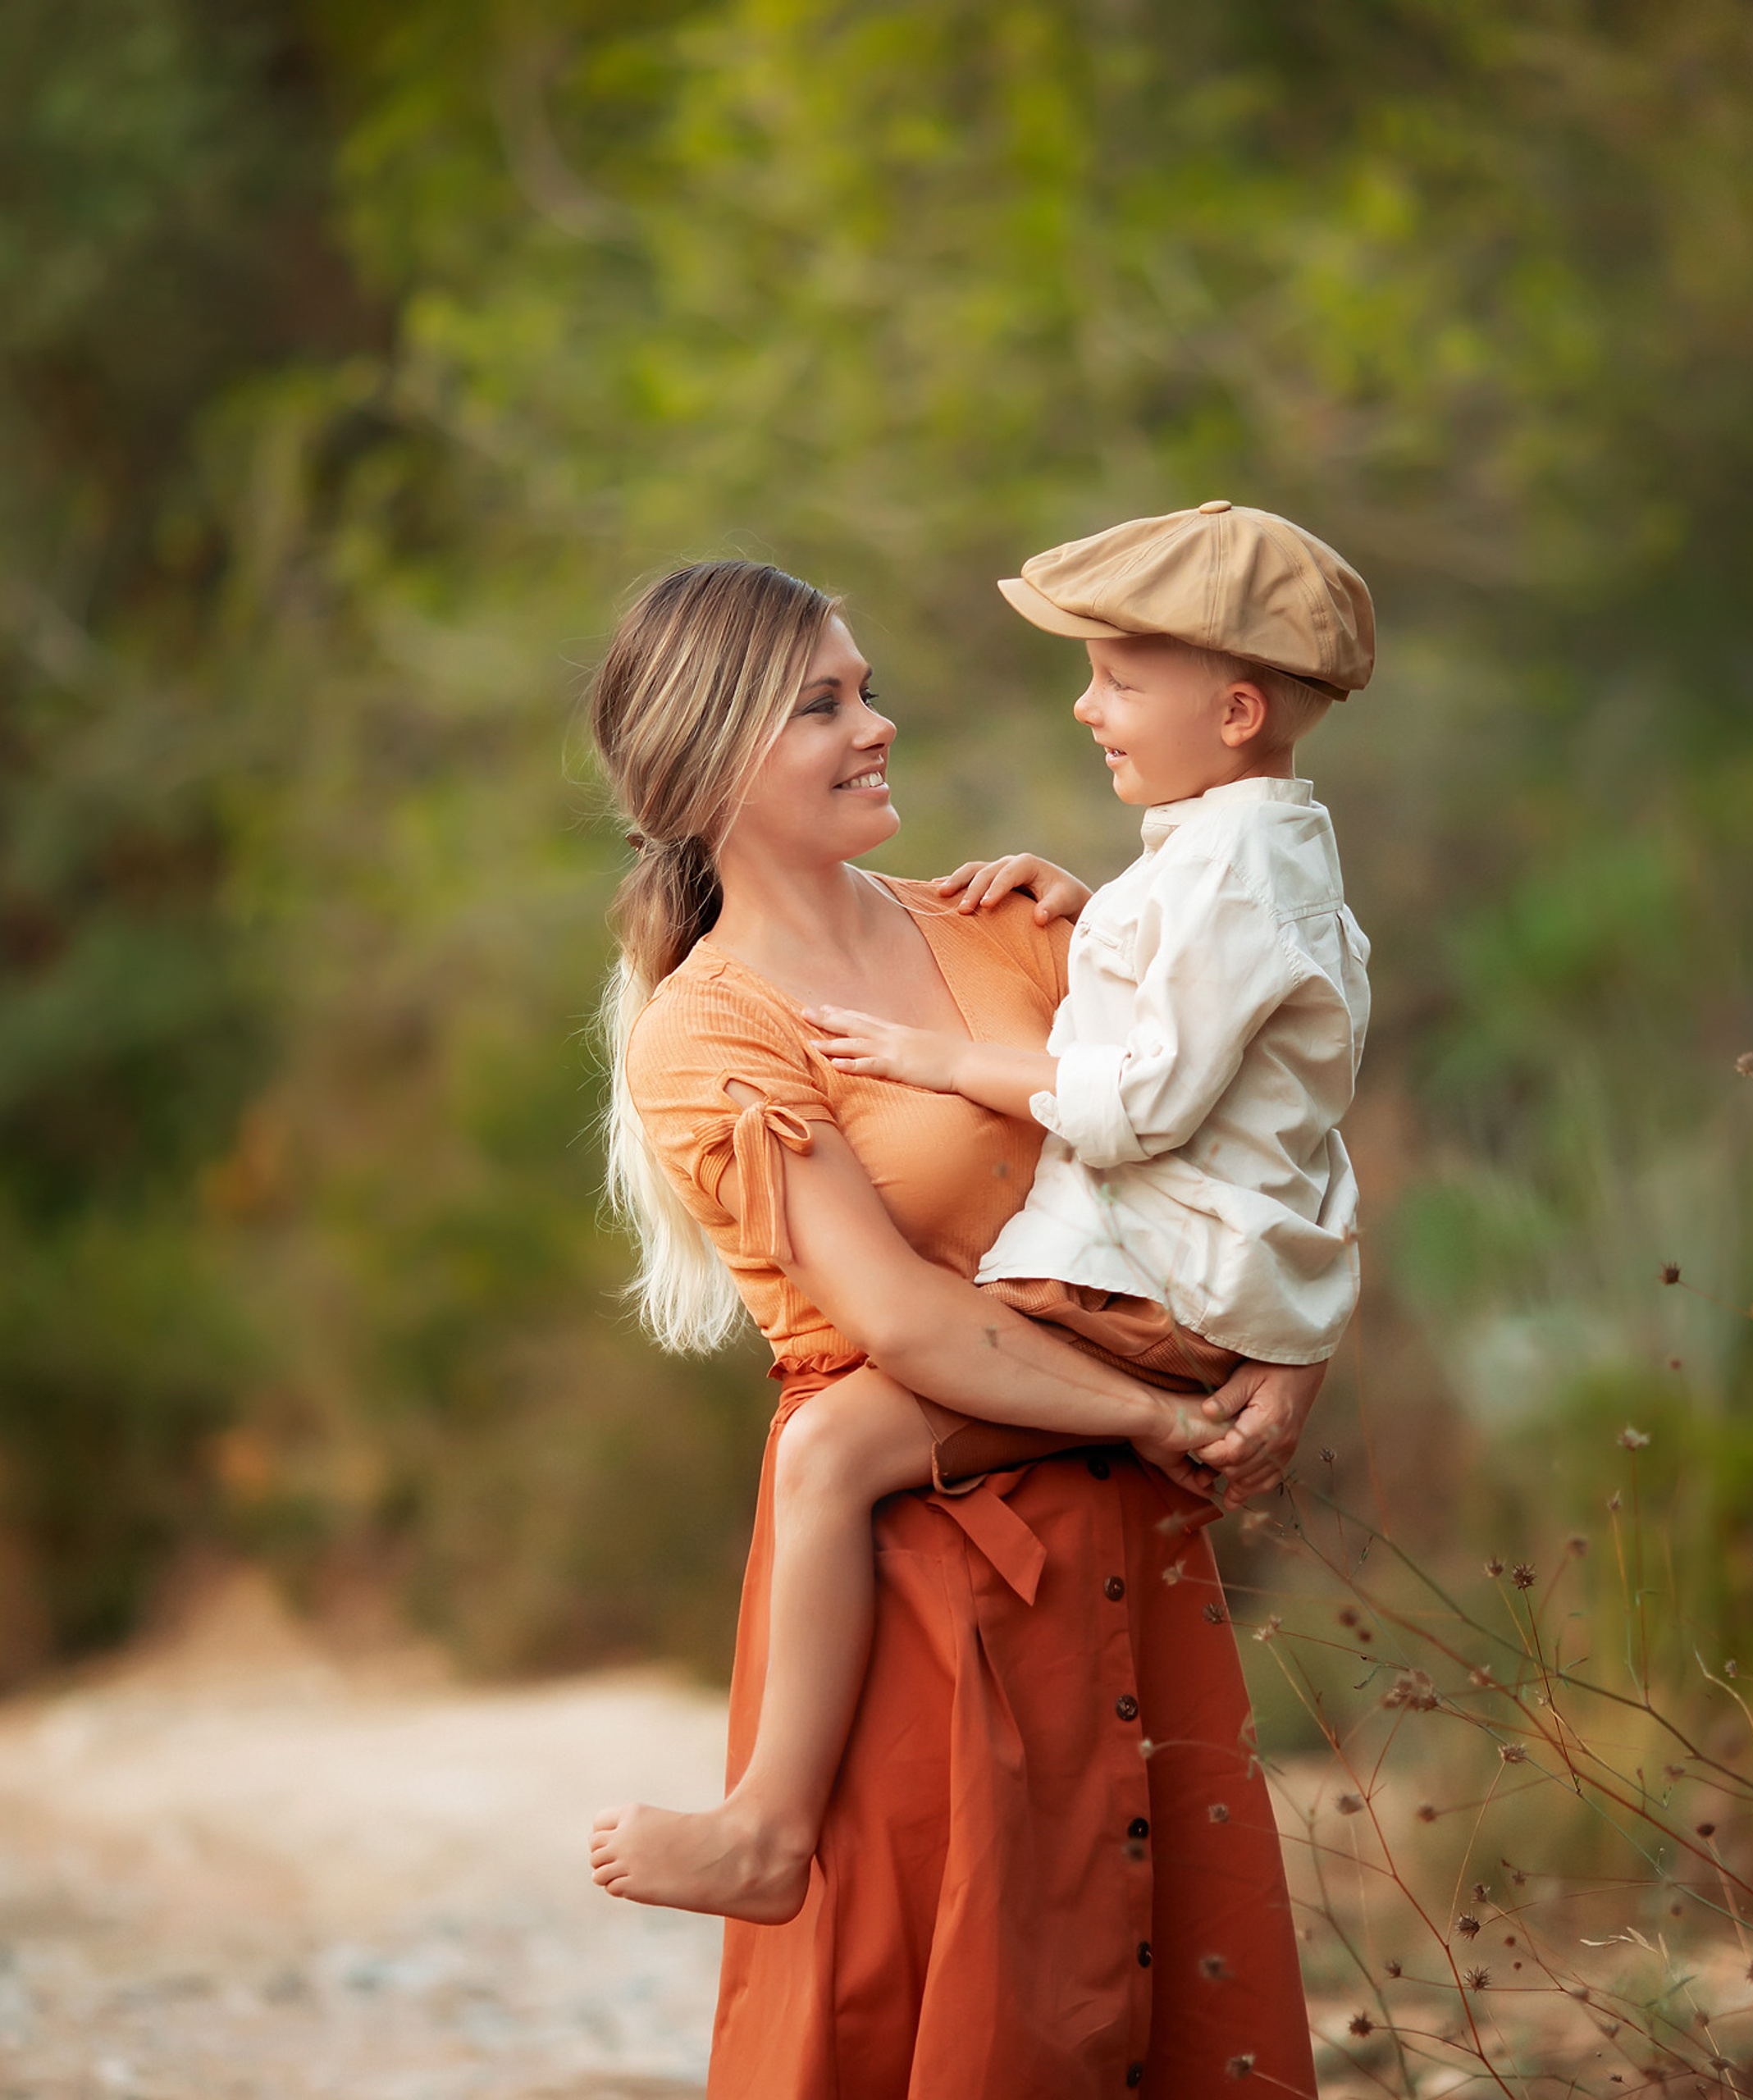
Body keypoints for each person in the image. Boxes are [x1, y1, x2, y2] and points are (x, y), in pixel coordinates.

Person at [582, 555, 1325, 2095]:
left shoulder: (1006, 925)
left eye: (869, 692)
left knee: (1167, 2008)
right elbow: (909, 1325)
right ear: (711, 754)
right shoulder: (711, 1030)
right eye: (824, 705)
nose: (880, 728)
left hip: (1122, 1551)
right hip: (918, 1577)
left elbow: (1231, 1120)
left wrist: (1287, 1353)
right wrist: (1159, 1415)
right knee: (953, 2011)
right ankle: (768, 1831)